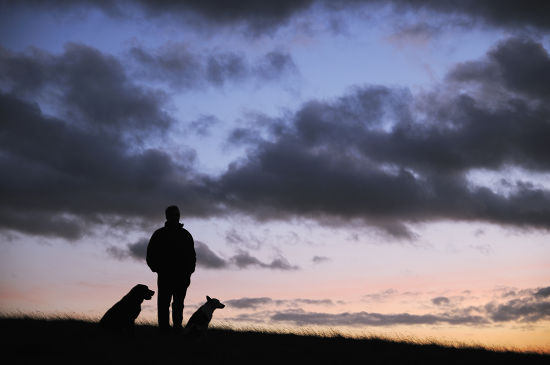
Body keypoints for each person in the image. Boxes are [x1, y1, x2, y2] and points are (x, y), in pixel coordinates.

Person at [146, 205, 196, 332]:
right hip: (165, 276)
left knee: (178, 304)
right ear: (167, 216)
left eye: (177, 215)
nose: (175, 217)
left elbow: (192, 256)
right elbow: (151, 254)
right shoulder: (159, 234)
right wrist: (158, 269)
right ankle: (164, 330)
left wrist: (189, 272)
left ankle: (177, 328)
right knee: (163, 304)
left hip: (182, 277)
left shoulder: (185, 235)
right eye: (173, 215)